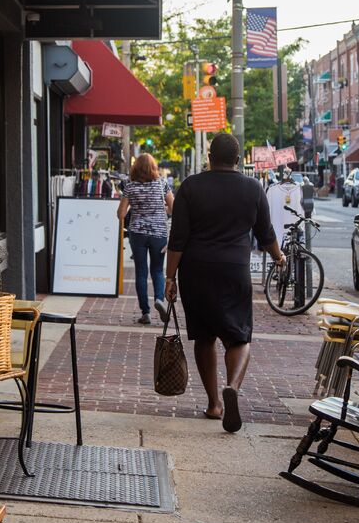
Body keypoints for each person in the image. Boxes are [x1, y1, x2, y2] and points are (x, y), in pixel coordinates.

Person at [164, 133, 285, 433]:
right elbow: (266, 233)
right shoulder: (253, 188)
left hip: (196, 271)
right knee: (239, 337)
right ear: (236, 158)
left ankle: (215, 403)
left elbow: (177, 238)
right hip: (234, 270)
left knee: (204, 337)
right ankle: (233, 385)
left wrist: (170, 277)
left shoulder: (191, 186)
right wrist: (279, 258)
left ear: (209, 157)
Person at [117, 153, 174, 325]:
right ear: (153, 167)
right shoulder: (162, 184)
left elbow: (121, 214)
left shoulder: (129, 186)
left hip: (138, 233)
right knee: (157, 270)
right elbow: (174, 208)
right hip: (158, 233)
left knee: (141, 272)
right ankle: (159, 300)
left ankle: (146, 313)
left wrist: (135, 206)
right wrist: (162, 210)